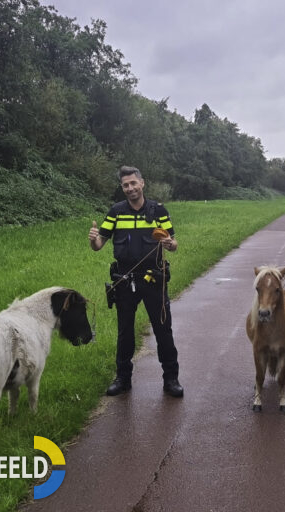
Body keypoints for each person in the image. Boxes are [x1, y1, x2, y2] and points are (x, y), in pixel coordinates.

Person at [88, 166, 184, 398]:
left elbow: (173, 242)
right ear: (122, 188)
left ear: (142, 183)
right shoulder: (115, 212)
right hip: (124, 279)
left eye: (133, 183)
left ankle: (171, 379)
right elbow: (99, 244)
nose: (130, 188)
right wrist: (93, 239)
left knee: (163, 330)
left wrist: (171, 245)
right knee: (125, 332)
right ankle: (123, 379)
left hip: (154, 278)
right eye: (125, 185)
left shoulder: (158, 211)